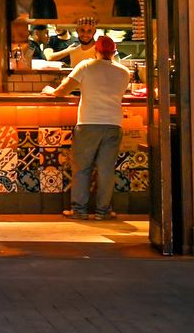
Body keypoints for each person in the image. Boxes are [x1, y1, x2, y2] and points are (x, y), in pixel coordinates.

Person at [41, 35, 130, 220]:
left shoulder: (86, 66)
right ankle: (103, 212)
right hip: (113, 124)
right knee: (106, 170)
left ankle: (79, 211)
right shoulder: (124, 72)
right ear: (114, 52)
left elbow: (63, 90)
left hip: (88, 123)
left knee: (82, 169)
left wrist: (50, 90)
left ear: (96, 50)